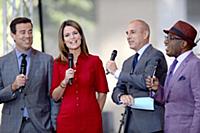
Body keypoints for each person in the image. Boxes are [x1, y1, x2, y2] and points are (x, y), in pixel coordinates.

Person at [106, 19, 168, 133]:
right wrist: (121, 96)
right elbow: (117, 90)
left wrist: (117, 73)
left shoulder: (155, 55)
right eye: (127, 33)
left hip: (150, 125)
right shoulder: (127, 62)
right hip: (130, 124)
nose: (128, 37)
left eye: (133, 32)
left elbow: (146, 81)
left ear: (145, 34)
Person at [50, 19, 109, 133]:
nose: (72, 37)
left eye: (75, 33)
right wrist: (65, 81)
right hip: (67, 122)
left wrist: (96, 113)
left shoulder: (94, 61)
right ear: (63, 41)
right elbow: (55, 97)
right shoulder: (57, 64)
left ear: (81, 36)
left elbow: (102, 92)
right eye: (67, 35)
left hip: (91, 120)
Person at [0, 17, 54, 132]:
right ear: (13, 35)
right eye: (22, 32)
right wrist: (13, 87)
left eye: (30, 31)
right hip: (12, 127)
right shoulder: (2, 63)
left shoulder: (46, 60)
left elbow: (53, 97)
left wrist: (54, 125)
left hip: (40, 126)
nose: (28, 36)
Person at [146, 20, 200, 133]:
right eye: (166, 37)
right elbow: (169, 99)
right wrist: (158, 89)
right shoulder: (174, 65)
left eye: (171, 38)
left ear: (183, 44)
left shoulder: (195, 65)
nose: (166, 42)